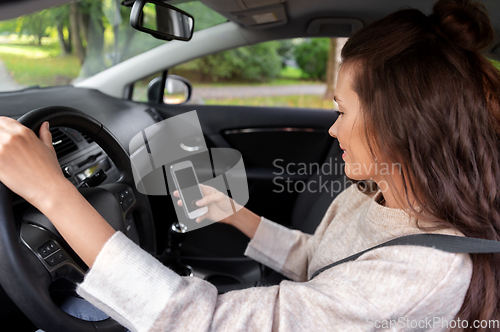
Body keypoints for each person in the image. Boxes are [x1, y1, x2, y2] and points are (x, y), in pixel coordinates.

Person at [2, 0, 500, 330]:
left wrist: (54, 194)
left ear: (401, 125)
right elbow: (318, 261)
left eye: (343, 111)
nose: (333, 129)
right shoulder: (383, 189)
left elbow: (198, 323)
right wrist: (234, 214)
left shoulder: (418, 275)